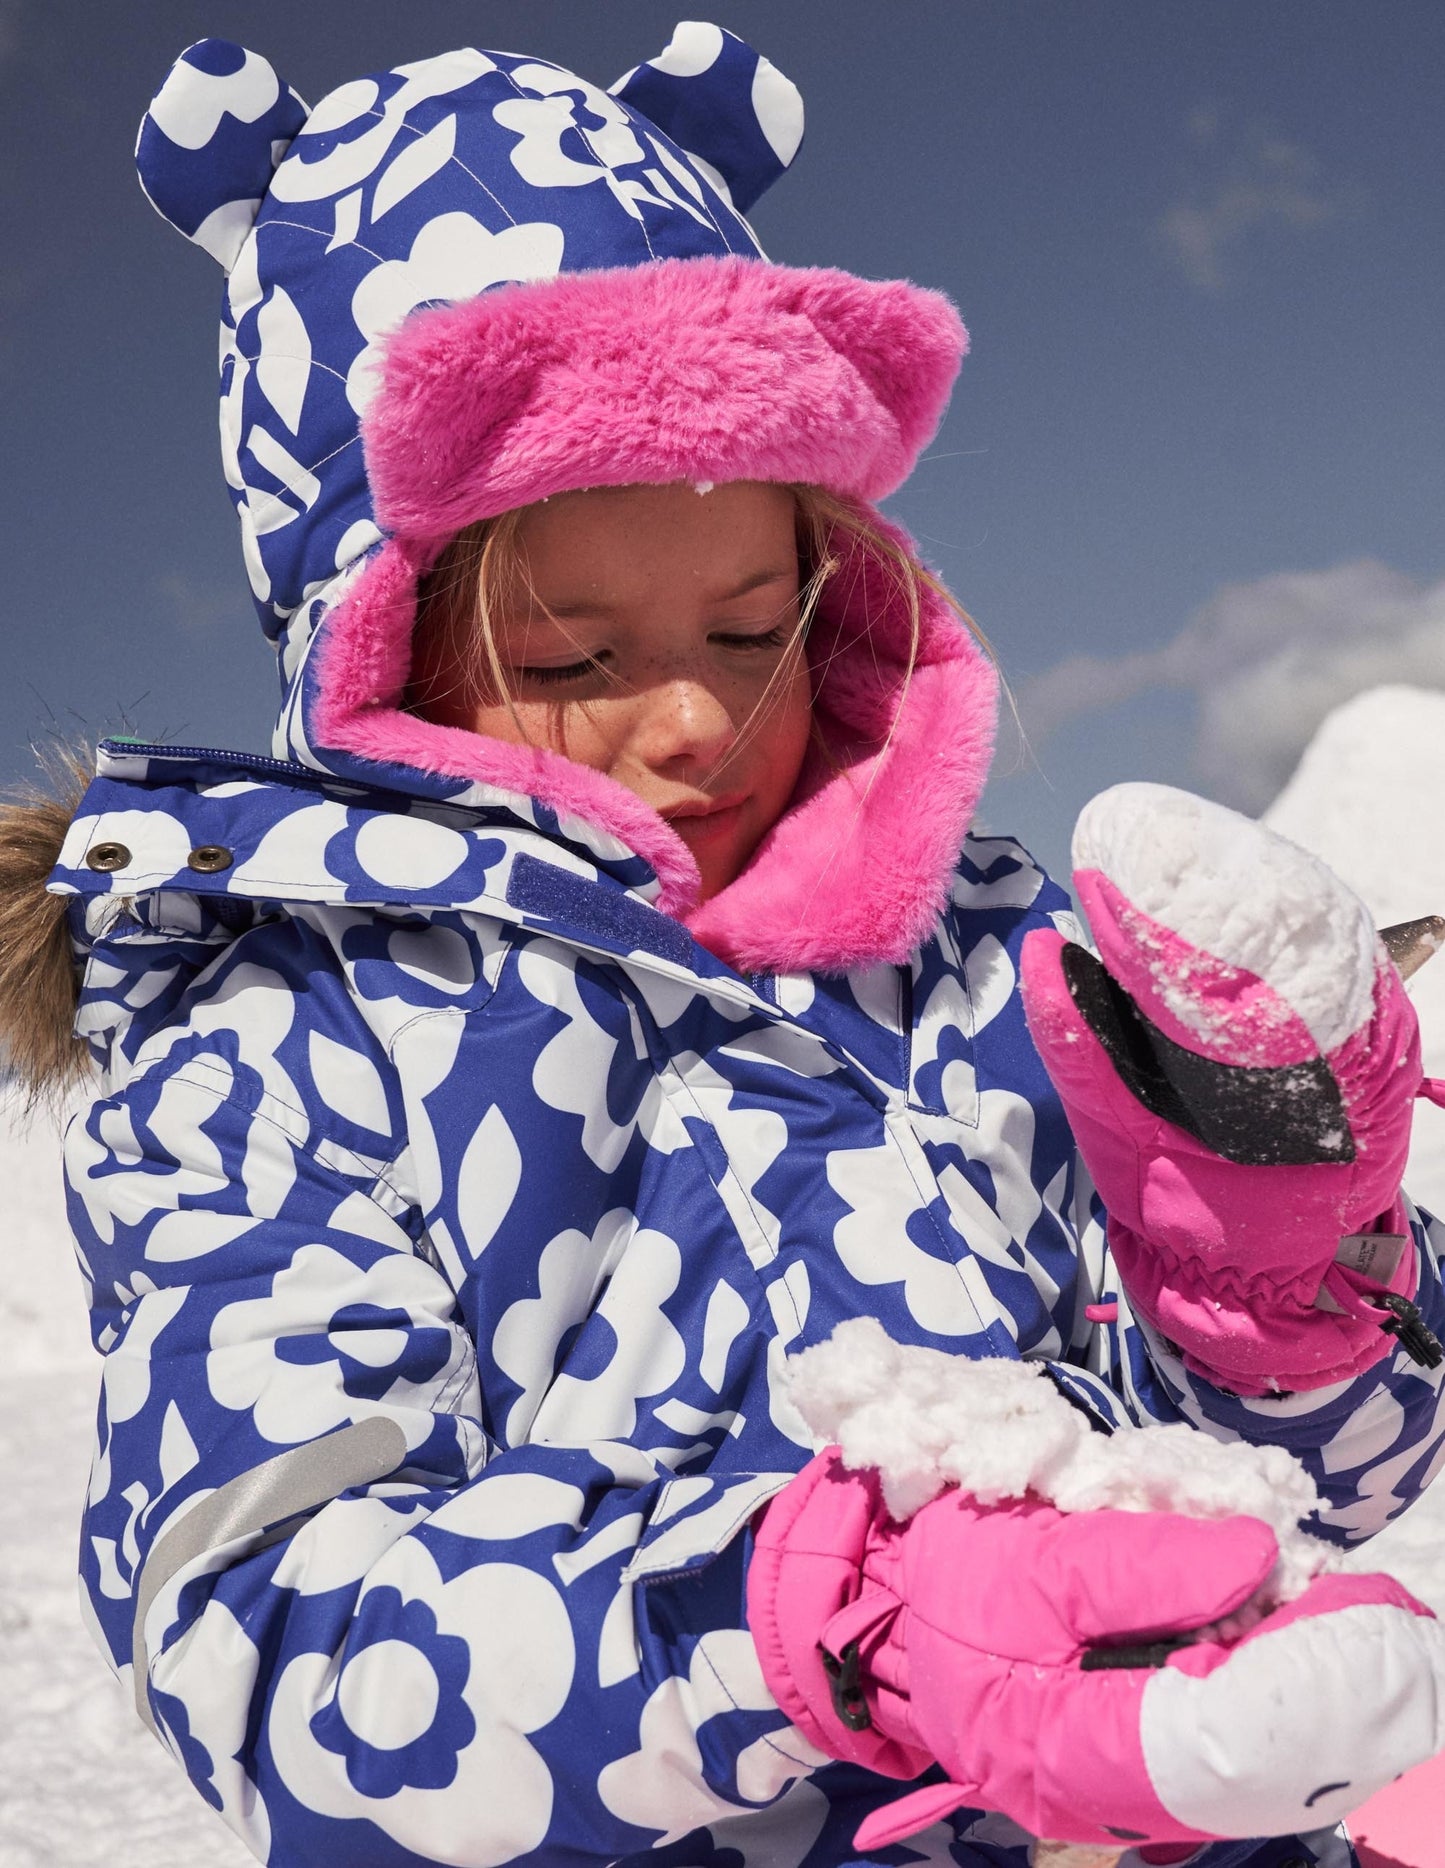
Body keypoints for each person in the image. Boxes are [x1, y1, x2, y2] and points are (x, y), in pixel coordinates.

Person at [10, 22, 1445, 1868]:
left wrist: (1265, 1284)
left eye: (754, 621)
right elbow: (282, 1651)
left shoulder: (978, 970)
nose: (689, 718)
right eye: (570, 656)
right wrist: (822, 1629)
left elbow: (1333, 1489)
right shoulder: (282, 1038)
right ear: (371, 643)